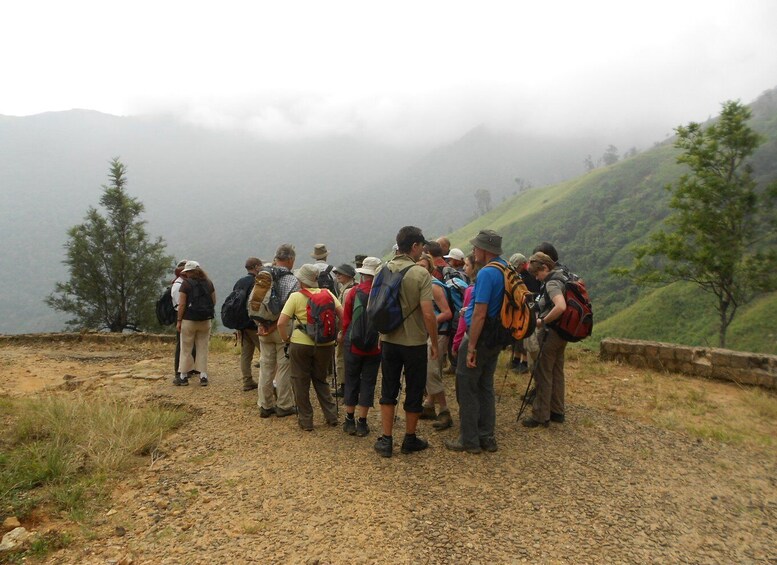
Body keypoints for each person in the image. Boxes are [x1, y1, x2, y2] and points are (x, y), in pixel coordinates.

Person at [374, 226, 439, 458]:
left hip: (389, 339)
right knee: (413, 390)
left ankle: (386, 439)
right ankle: (409, 439)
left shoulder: (383, 270)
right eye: (421, 246)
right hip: (414, 343)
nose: (422, 251)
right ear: (414, 246)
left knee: (388, 389)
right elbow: (429, 314)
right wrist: (435, 343)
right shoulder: (421, 274)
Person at [444, 230, 506, 454]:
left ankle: (469, 440)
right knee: (486, 386)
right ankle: (486, 436)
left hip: (480, 337)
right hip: (497, 336)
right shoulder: (504, 268)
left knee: (468, 386)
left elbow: (479, 313)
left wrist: (470, 347)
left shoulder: (487, 274)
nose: (473, 251)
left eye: (476, 248)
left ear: (485, 250)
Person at [277, 264, 343, 431]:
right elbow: (342, 314)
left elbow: (281, 323)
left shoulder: (295, 297)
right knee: (321, 380)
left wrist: (287, 339)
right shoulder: (327, 293)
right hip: (325, 344)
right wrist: (338, 333)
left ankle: (306, 421)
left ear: (301, 280)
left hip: (300, 343)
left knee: (300, 381)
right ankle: (331, 416)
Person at [522, 251, 568, 428]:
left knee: (543, 373)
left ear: (545, 268)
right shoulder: (563, 275)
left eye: (537, 273)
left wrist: (542, 321)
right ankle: (557, 411)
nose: (537, 277)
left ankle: (541, 415)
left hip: (550, 333)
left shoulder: (552, 282)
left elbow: (561, 306)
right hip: (562, 333)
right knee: (557, 371)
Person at [339, 256, 382, 437]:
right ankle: (362, 422)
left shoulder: (353, 292)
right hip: (375, 345)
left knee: (352, 378)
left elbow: (346, 320)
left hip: (353, 342)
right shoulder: (382, 294)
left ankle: (349, 419)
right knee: (368, 381)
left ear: (363, 274)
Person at [256, 244, 299, 418]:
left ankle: (265, 406)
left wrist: (262, 325)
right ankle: (284, 405)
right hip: (283, 328)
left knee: (265, 366)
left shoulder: (264, 276)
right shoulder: (292, 281)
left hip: (263, 328)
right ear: (290, 260)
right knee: (283, 367)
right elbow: (291, 310)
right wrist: (275, 326)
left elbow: (256, 303)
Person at [416, 253, 453, 430]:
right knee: (429, 370)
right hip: (428, 334)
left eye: (423, 266)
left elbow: (447, 312)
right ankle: (429, 405)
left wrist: (430, 321)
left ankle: (445, 411)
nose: (420, 269)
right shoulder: (423, 285)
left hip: (439, 334)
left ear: (430, 268)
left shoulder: (435, 287)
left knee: (432, 371)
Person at [175, 261, 216, 387]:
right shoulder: (208, 283)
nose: (186, 274)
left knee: (186, 348)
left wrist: (179, 320)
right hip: (205, 320)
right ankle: (203, 375)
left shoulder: (185, 285)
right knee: (203, 347)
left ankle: (183, 376)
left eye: (186, 272)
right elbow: (213, 301)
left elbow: (182, 304)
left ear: (189, 272)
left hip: (189, 320)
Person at [232, 257, 262, 391]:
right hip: (254, 323)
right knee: (266, 353)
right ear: (256, 267)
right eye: (260, 266)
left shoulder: (240, 282)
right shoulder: (257, 282)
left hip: (242, 324)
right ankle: (269, 384)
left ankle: (247, 381)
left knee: (246, 354)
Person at [332, 263, 357, 398]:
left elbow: (344, 313)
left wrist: (341, 331)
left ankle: (344, 385)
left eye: (340, 273)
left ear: (348, 275)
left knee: (341, 357)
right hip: (352, 328)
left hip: (346, 329)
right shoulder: (350, 288)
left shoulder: (347, 291)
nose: (337, 276)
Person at [170, 259, 194, 384]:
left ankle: (189, 368)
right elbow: (180, 304)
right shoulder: (178, 286)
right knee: (181, 344)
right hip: (181, 315)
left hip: (185, 315)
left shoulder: (182, 284)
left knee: (188, 343)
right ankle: (178, 372)